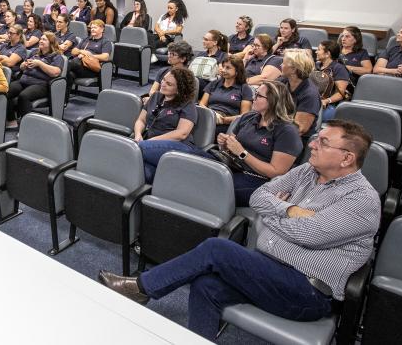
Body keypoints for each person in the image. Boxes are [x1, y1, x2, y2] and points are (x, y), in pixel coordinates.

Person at [99, 119, 380, 341]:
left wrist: (274, 216)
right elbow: (260, 197)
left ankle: (141, 287)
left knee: (216, 249)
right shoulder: (307, 171)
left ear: (347, 159)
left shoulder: (361, 199)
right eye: (317, 138)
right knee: (205, 286)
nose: (314, 144)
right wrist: (291, 211)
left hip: (307, 291)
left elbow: (309, 234)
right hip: (267, 269)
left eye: (323, 141)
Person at [216, 80, 303, 205]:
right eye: (255, 93)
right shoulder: (248, 117)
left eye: (258, 95)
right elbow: (230, 149)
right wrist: (224, 143)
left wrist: (242, 153)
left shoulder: (287, 131)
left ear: (273, 101)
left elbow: (277, 172)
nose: (253, 98)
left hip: (258, 179)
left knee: (213, 187)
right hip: (232, 166)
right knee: (196, 169)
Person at [135, 67, 199, 183]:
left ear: (179, 89)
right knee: (143, 171)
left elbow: (182, 133)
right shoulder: (155, 97)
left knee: (134, 150)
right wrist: (138, 134)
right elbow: (141, 120)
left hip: (178, 146)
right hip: (150, 144)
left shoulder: (188, 105)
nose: (163, 84)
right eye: (163, 80)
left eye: (169, 84)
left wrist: (152, 141)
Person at [6, 32, 64, 127]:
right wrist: (24, 65)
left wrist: (40, 64)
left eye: (44, 39)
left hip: (41, 84)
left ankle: (27, 126)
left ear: (51, 43)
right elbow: (21, 67)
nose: (40, 41)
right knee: (6, 90)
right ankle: (11, 120)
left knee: (24, 96)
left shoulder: (57, 56)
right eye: (40, 39)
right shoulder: (34, 52)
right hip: (24, 80)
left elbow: (56, 72)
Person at [200, 56, 252, 134]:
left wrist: (225, 120)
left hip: (227, 123)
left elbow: (244, 115)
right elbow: (202, 104)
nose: (223, 70)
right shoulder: (214, 83)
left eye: (228, 68)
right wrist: (212, 115)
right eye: (223, 66)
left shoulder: (245, 89)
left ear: (237, 71)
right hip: (208, 117)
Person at [280, 49, 321, 141]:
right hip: (277, 130)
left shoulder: (310, 95)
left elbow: (299, 129)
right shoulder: (282, 81)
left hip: (294, 140)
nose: (281, 65)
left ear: (294, 69)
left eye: (283, 63)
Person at [67, 19, 111, 86]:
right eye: (92, 28)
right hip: (79, 65)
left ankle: (58, 70)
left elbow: (105, 57)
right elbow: (73, 51)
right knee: (69, 75)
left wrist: (89, 55)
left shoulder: (105, 42)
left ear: (102, 29)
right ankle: (64, 96)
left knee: (69, 64)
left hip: (91, 69)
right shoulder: (86, 39)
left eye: (95, 27)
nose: (92, 29)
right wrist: (81, 51)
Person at [316, 40, 351, 121]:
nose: (316, 52)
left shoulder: (339, 68)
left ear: (327, 54)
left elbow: (341, 93)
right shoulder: (316, 65)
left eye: (319, 49)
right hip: (315, 100)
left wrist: (326, 101)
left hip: (330, 104)